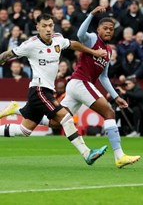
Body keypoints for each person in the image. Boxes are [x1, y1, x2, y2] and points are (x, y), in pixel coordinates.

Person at [0, 13, 108, 165]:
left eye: (50, 25)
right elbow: (8, 54)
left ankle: (16, 109)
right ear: (37, 28)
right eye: (44, 26)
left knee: (24, 131)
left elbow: (73, 44)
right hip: (39, 90)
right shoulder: (30, 45)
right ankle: (87, 153)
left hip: (45, 91)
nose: (48, 29)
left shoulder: (57, 39)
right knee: (65, 118)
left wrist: (93, 52)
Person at [59, 6, 141, 169]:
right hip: (80, 82)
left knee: (56, 120)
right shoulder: (92, 39)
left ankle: (18, 109)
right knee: (109, 112)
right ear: (98, 30)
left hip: (77, 86)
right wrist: (90, 15)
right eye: (105, 28)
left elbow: (103, 77)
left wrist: (116, 96)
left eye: (111, 29)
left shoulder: (109, 51)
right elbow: (80, 35)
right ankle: (119, 156)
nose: (109, 31)